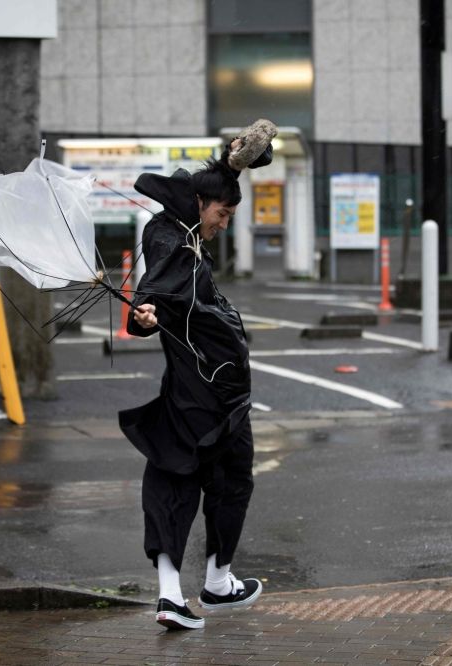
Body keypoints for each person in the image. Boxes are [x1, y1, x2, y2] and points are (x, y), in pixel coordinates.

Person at [119, 132, 274, 630]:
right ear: (200, 204)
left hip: (202, 388)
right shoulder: (169, 238)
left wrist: (234, 165)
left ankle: (193, 591)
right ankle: (206, 586)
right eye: (222, 215)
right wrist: (142, 317)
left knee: (180, 479)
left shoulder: (185, 227)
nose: (224, 225)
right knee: (205, 481)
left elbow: (213, 189)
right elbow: (155, 291)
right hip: (209, 390)